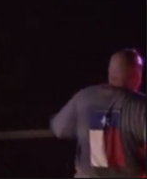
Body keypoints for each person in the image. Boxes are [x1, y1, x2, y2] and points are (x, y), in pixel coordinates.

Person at [52, 49, 145, 178]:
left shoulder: (83, 98)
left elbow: (59, 129)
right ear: (137, 76)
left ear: (110, 73)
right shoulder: (141, 106)